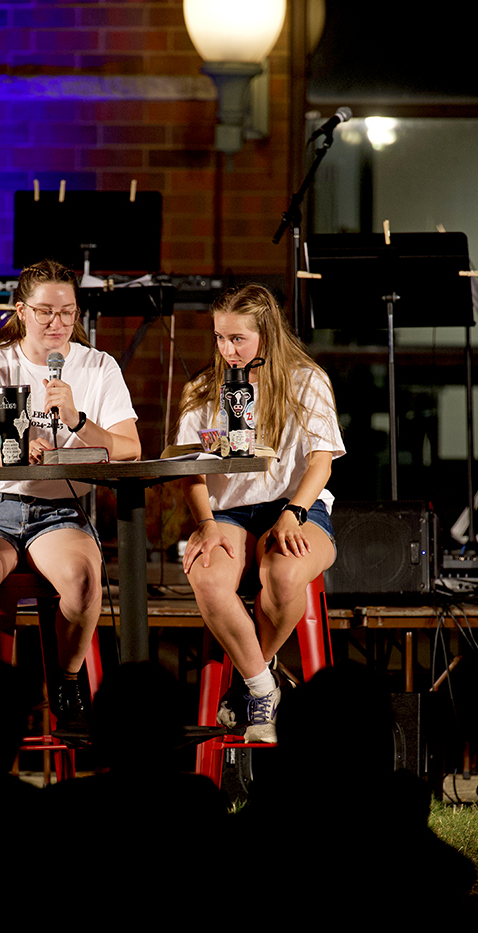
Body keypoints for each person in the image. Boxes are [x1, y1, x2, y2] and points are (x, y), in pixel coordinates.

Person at [0, 259, 141, 719]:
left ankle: (66, 681)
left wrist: (77, 420)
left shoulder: (98, 367)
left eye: (67, 313)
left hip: (59, 512)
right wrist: (16, 455)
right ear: (21, 311)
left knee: (83, 581)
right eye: (45, 312)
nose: (58, 323)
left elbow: (130, 448)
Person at [175, 283, 344, 742]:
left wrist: (293, 513)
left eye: (238, 339)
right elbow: (188, 472)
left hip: (295, 504)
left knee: (284, 575)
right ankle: (263, 687)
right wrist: (205, 524)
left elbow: (322, 462)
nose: (227, 350)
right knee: (208, 577)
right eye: (220, 338)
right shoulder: (203, 390)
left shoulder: (306, 380)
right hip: (228, 513)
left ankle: (246, 681)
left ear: (266, 335)